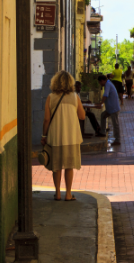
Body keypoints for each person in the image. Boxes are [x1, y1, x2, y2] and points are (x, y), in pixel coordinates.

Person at [42, 71, 84, 201]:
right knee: (69, 165)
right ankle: (69, 194)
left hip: (55, 136)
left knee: (56, 165)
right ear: (70, 83)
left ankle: (58, 193)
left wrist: (44, 135)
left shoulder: (51, 97)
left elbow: (47, 119)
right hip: (71, 136)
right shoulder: (75, 97)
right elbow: (82, 116)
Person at [97, 73, 121, 146]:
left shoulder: (107, 84)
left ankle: (117, 140)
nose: (100, 84)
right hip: (110, 108)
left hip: (114, 108)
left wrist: (101, 103)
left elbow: (105, 95)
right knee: (103, 115)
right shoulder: (108, 83)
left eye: (100, 82)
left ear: (103, 81)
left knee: (115, 124)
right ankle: (103, 131)